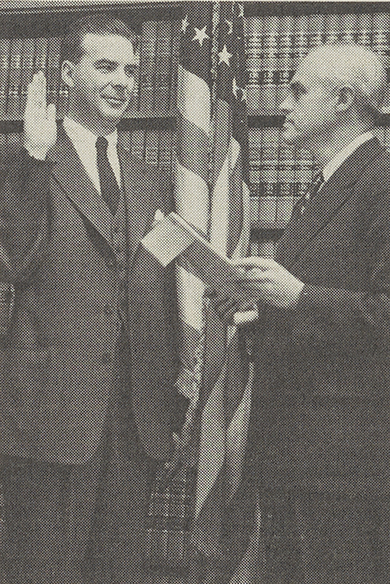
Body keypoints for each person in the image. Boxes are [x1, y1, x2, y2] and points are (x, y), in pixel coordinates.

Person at [0, 14, 187, 584]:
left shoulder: (148, 176)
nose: (122, 82)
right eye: (105, 67)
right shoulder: (24, 161)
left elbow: (157, 292)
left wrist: (175, 390)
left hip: (136, 421)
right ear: (66, 73)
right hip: (48, 421)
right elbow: (14, 260)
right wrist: (31, 159)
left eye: (131, 70)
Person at [212, 43, 390, 583]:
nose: (282, 102)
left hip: (345, 458)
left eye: (298, 90)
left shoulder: (381, 180)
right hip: (294, 444)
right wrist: (256, 306)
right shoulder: (326, 182)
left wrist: (296, 296)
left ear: (341, 102)